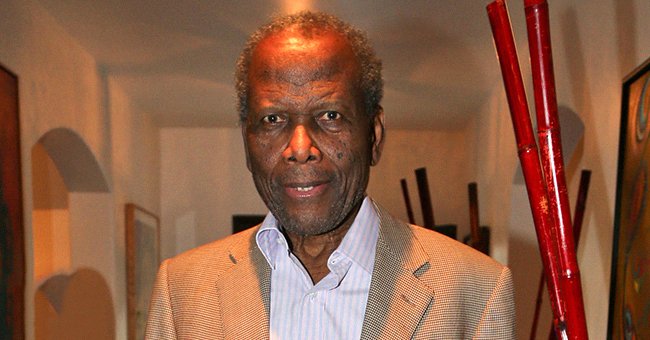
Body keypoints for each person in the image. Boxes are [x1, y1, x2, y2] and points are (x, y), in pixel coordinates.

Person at [145, 11, 515, 339]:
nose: (300, 147)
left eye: (330, 116)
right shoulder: (181, 290)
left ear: (374, 135)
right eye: (273, 119)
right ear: (248, 141)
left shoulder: (475, 289)